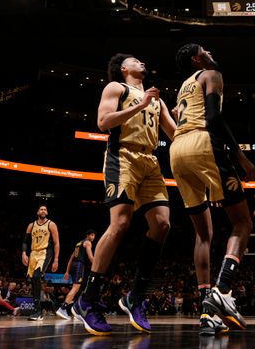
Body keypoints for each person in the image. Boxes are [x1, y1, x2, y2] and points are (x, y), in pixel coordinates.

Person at [74, 54, 176, 336]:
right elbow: (103, 122)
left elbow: (175, 134)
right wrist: (140, 105)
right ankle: (88, 299)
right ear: (124, 69)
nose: (143, 62)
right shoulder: (116, 88)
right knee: (120, 223)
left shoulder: (157, 100)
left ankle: (135, 296)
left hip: (151, 161)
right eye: (136, 60)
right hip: (123, 156)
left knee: (163, 225)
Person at [169, 43, 255, 336]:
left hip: (177, 152)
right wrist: (239, 155)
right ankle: (223, 288)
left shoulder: (184, 86)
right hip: (202, 144)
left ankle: (208, 313)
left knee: (203, 234)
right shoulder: (211, 73)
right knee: (243, 222)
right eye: (204, 49)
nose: (209, 51)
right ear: (197, 58)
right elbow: (214, 118)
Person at [22, 205, 60, 321]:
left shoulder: (51, 224)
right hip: (33, 253)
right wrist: (24, 253)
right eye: (41, 209)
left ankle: (38, 311)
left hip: (45, 252)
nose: (43, 211)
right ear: (37, 212)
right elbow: (25, 242)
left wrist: (56, 259)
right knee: (33, 280)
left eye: (45, 209)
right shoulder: (31, 225)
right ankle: (37, 309)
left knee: (37, 276)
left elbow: (56, 243)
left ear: (47, 213)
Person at [56, 229, 96, 320]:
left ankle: (76, 311)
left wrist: (67, 271)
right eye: (92, 235)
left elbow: (71, 258)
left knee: (78, 289)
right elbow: (90, 257)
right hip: (79, 265)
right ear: (87, 236)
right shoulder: (88, 243)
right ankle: (62, 308)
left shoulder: (78, 244)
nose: (93, 237)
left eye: (94, 235)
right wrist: (97, 266)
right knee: (75, 288)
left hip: (74, 265)